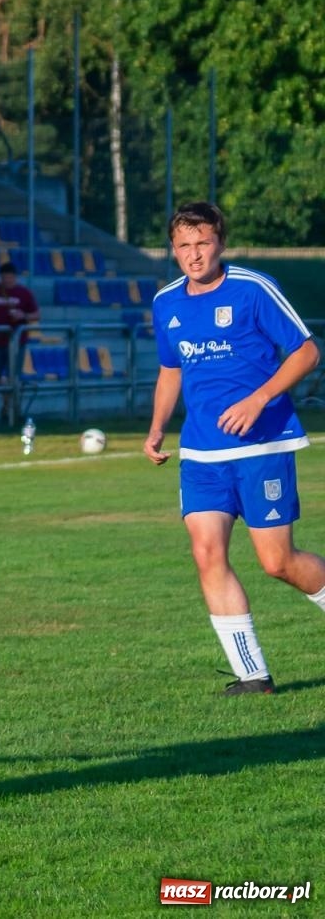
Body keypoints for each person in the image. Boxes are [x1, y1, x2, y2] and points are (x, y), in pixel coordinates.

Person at [145, 201, 325, 696]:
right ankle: (253, 675)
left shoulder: (253, 288)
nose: (193, 254)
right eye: (183, 246)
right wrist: (158, 425)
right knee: (207, 555)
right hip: (201, 452)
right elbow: (171, 369)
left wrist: (259, 399)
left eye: (202, 243)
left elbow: (308, 350)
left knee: (277, 562)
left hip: (262, 444)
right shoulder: (166, 303)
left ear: (220, 241)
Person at [0, 261, 39, 420]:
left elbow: (36, 314)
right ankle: (8, 403)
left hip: (16, 342)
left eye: (10, 278)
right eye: (5, 278)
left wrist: (23, 315)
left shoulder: (24, 293)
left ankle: (10, 411)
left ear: (15, 278)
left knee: (14, 376)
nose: (7, 281)